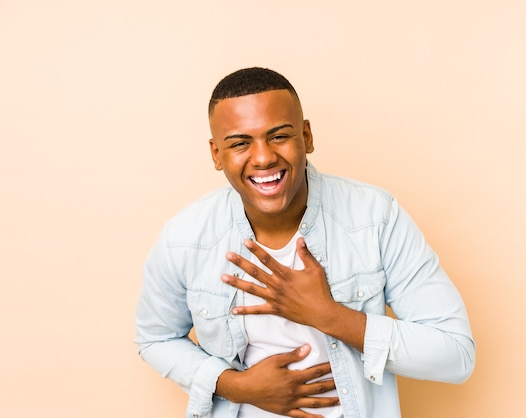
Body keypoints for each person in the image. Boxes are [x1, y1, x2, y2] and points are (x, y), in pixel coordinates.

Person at [135, 67, 475, 418]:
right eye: (239, 143)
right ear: (216, 154)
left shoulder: (375, 216)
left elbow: (455, 355)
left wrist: (329, 315)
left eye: (279, 136)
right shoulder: (185, 238)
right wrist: (235, 385)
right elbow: (155, 338)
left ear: (307, 136)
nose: (264, 157)